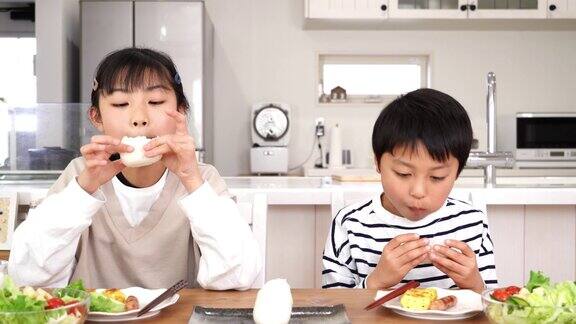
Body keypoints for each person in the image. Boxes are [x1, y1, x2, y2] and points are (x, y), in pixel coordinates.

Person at [9, 48, 261, 290]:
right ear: (97, 118)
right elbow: (28, 276)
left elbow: (238, 276)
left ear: (181, 112)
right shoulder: (80, 175)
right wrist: (83, 190)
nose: (139, 118)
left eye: (155, 101)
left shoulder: (201, 178)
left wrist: (193, 183)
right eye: (120, 104)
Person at [322, 88, 497, 293]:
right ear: (378, 162)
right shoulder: (351, 224)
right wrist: (376, 282)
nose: (418, 191)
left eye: (437, 177)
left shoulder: (472, 222)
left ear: (457, 173)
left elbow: (491, 306)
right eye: (403, 173)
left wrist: (474, 284)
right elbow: (335, 309)